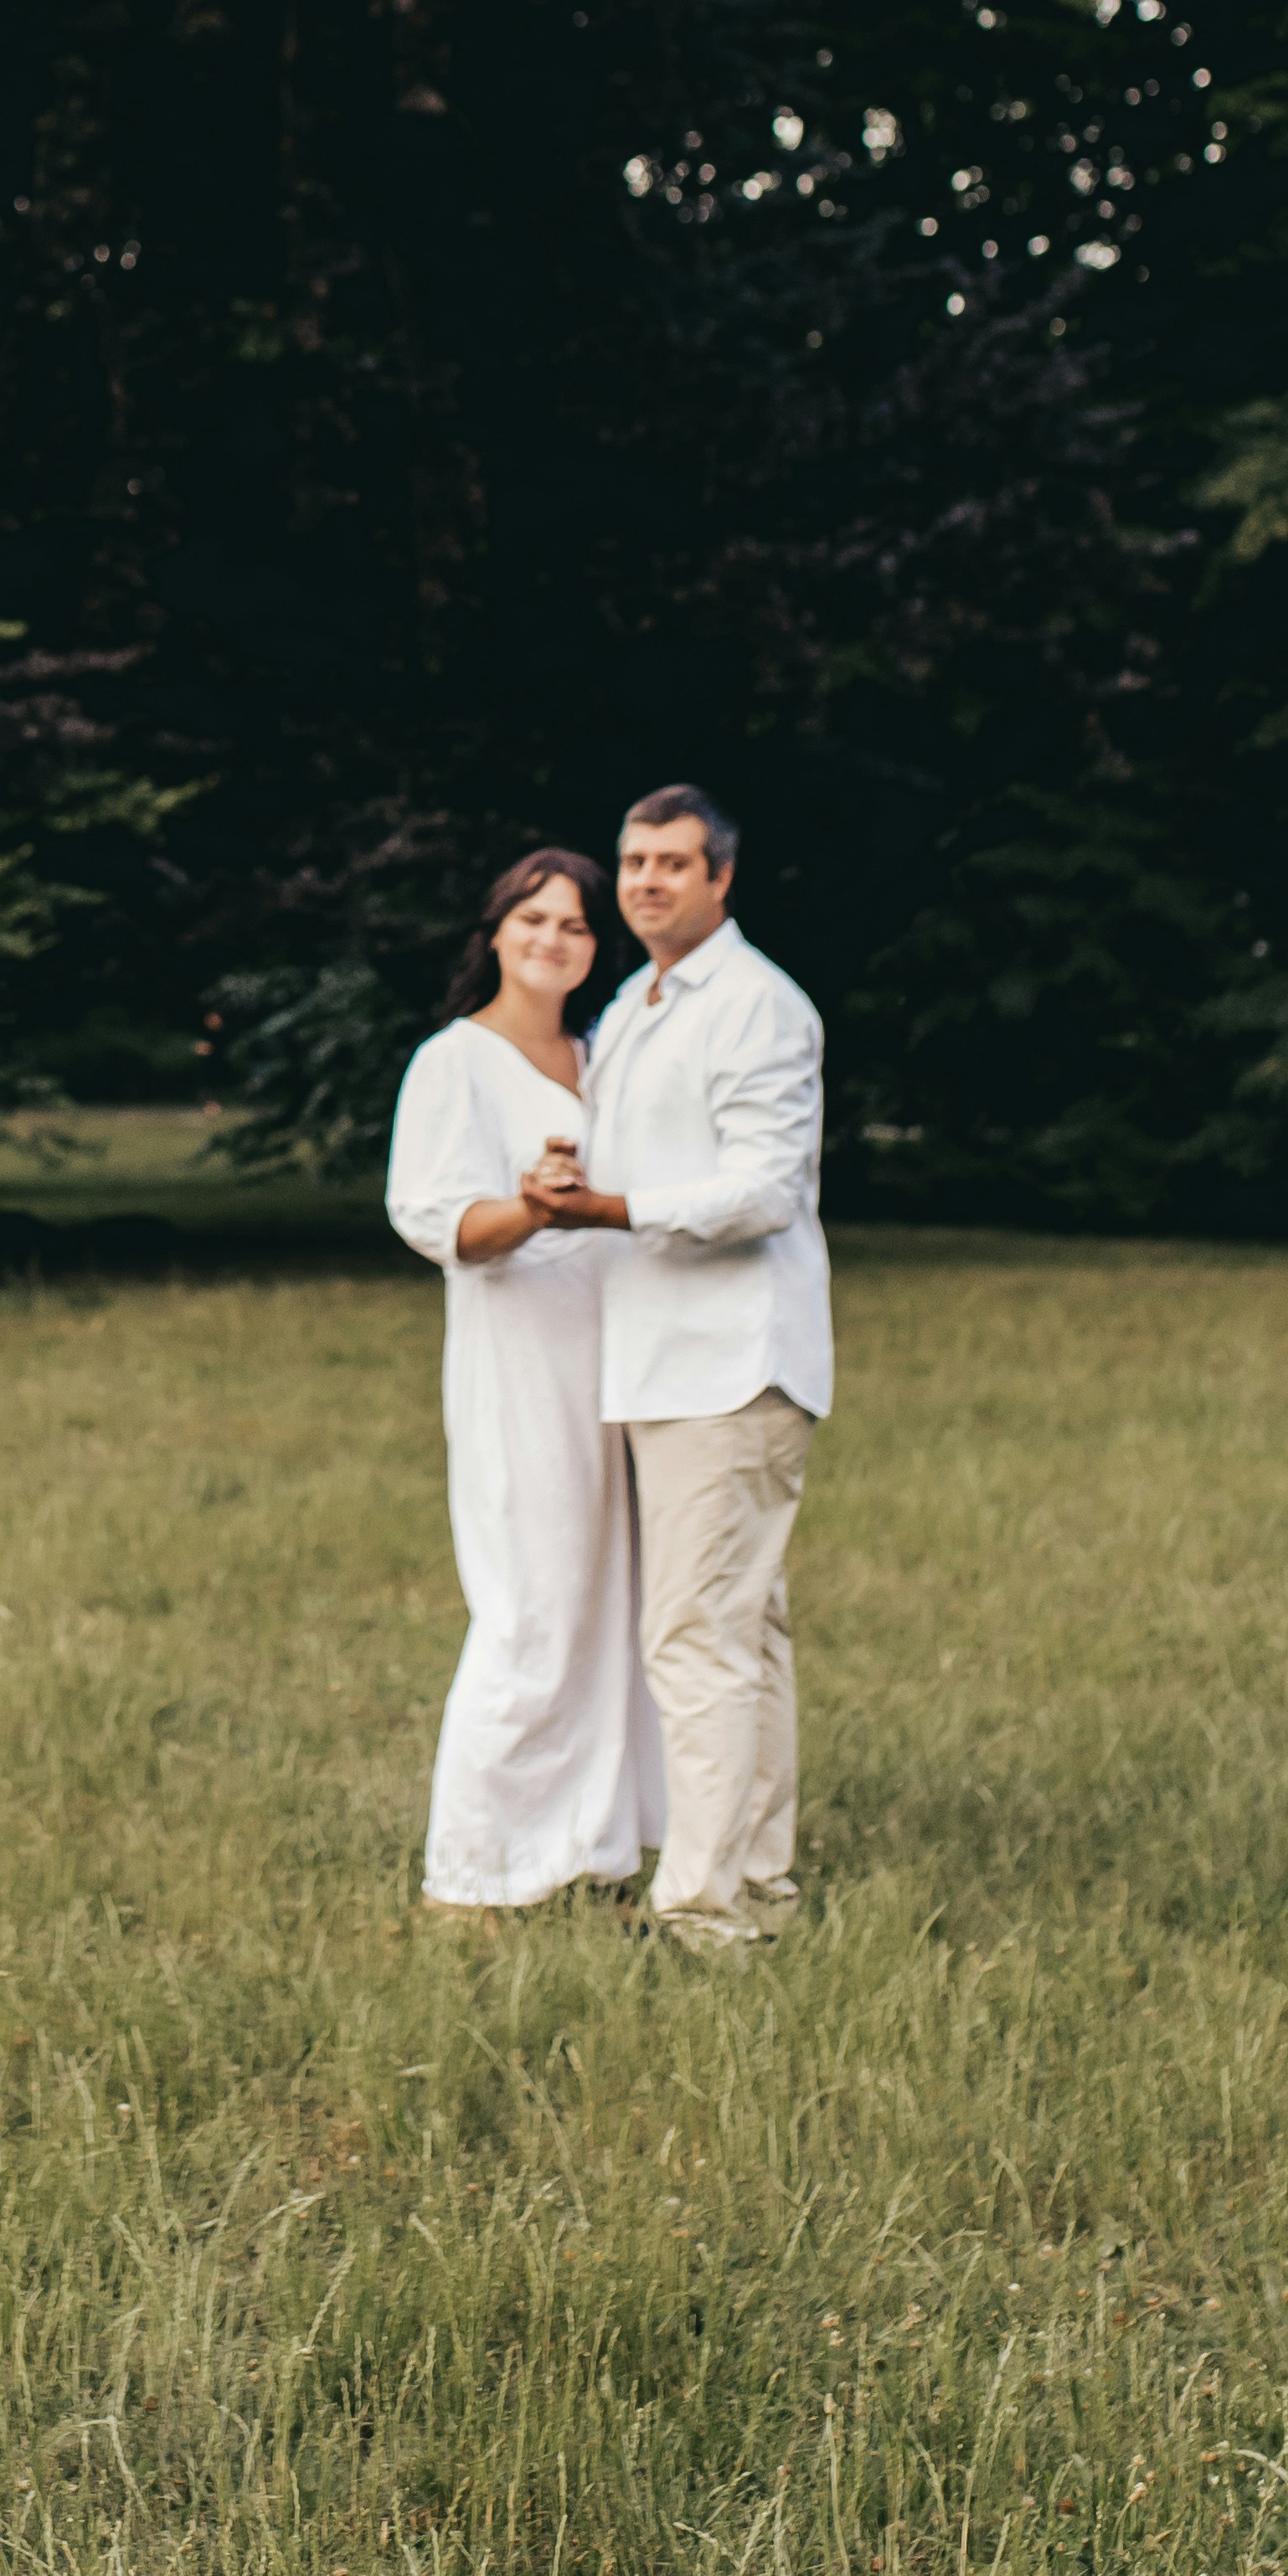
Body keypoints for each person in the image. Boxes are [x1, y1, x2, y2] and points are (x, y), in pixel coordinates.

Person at [553, 788, 832, 1955]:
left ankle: (708, 1912)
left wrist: (613, 1208)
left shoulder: (758, 1007)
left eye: (673, 862)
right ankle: (754, 1885)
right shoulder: (633, 999)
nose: (648, 881)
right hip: (664, 1360)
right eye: (633, 862)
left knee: (697, 1636)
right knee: (741, 1632)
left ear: (723, 878)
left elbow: (768, 1188)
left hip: (729, 1366)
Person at [382, 848, 663, 1916]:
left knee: (619, 1603)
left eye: (577, 926)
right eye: (533, 919)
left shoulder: (603, 1056)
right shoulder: (455, 1062)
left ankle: (593, 1846)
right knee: (531, 1605)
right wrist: (534, 1210)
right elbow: (436, 1221)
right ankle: (477, 1869)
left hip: (626, 1352)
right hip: (520, 1355)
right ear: (495, 931)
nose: (554, 940)